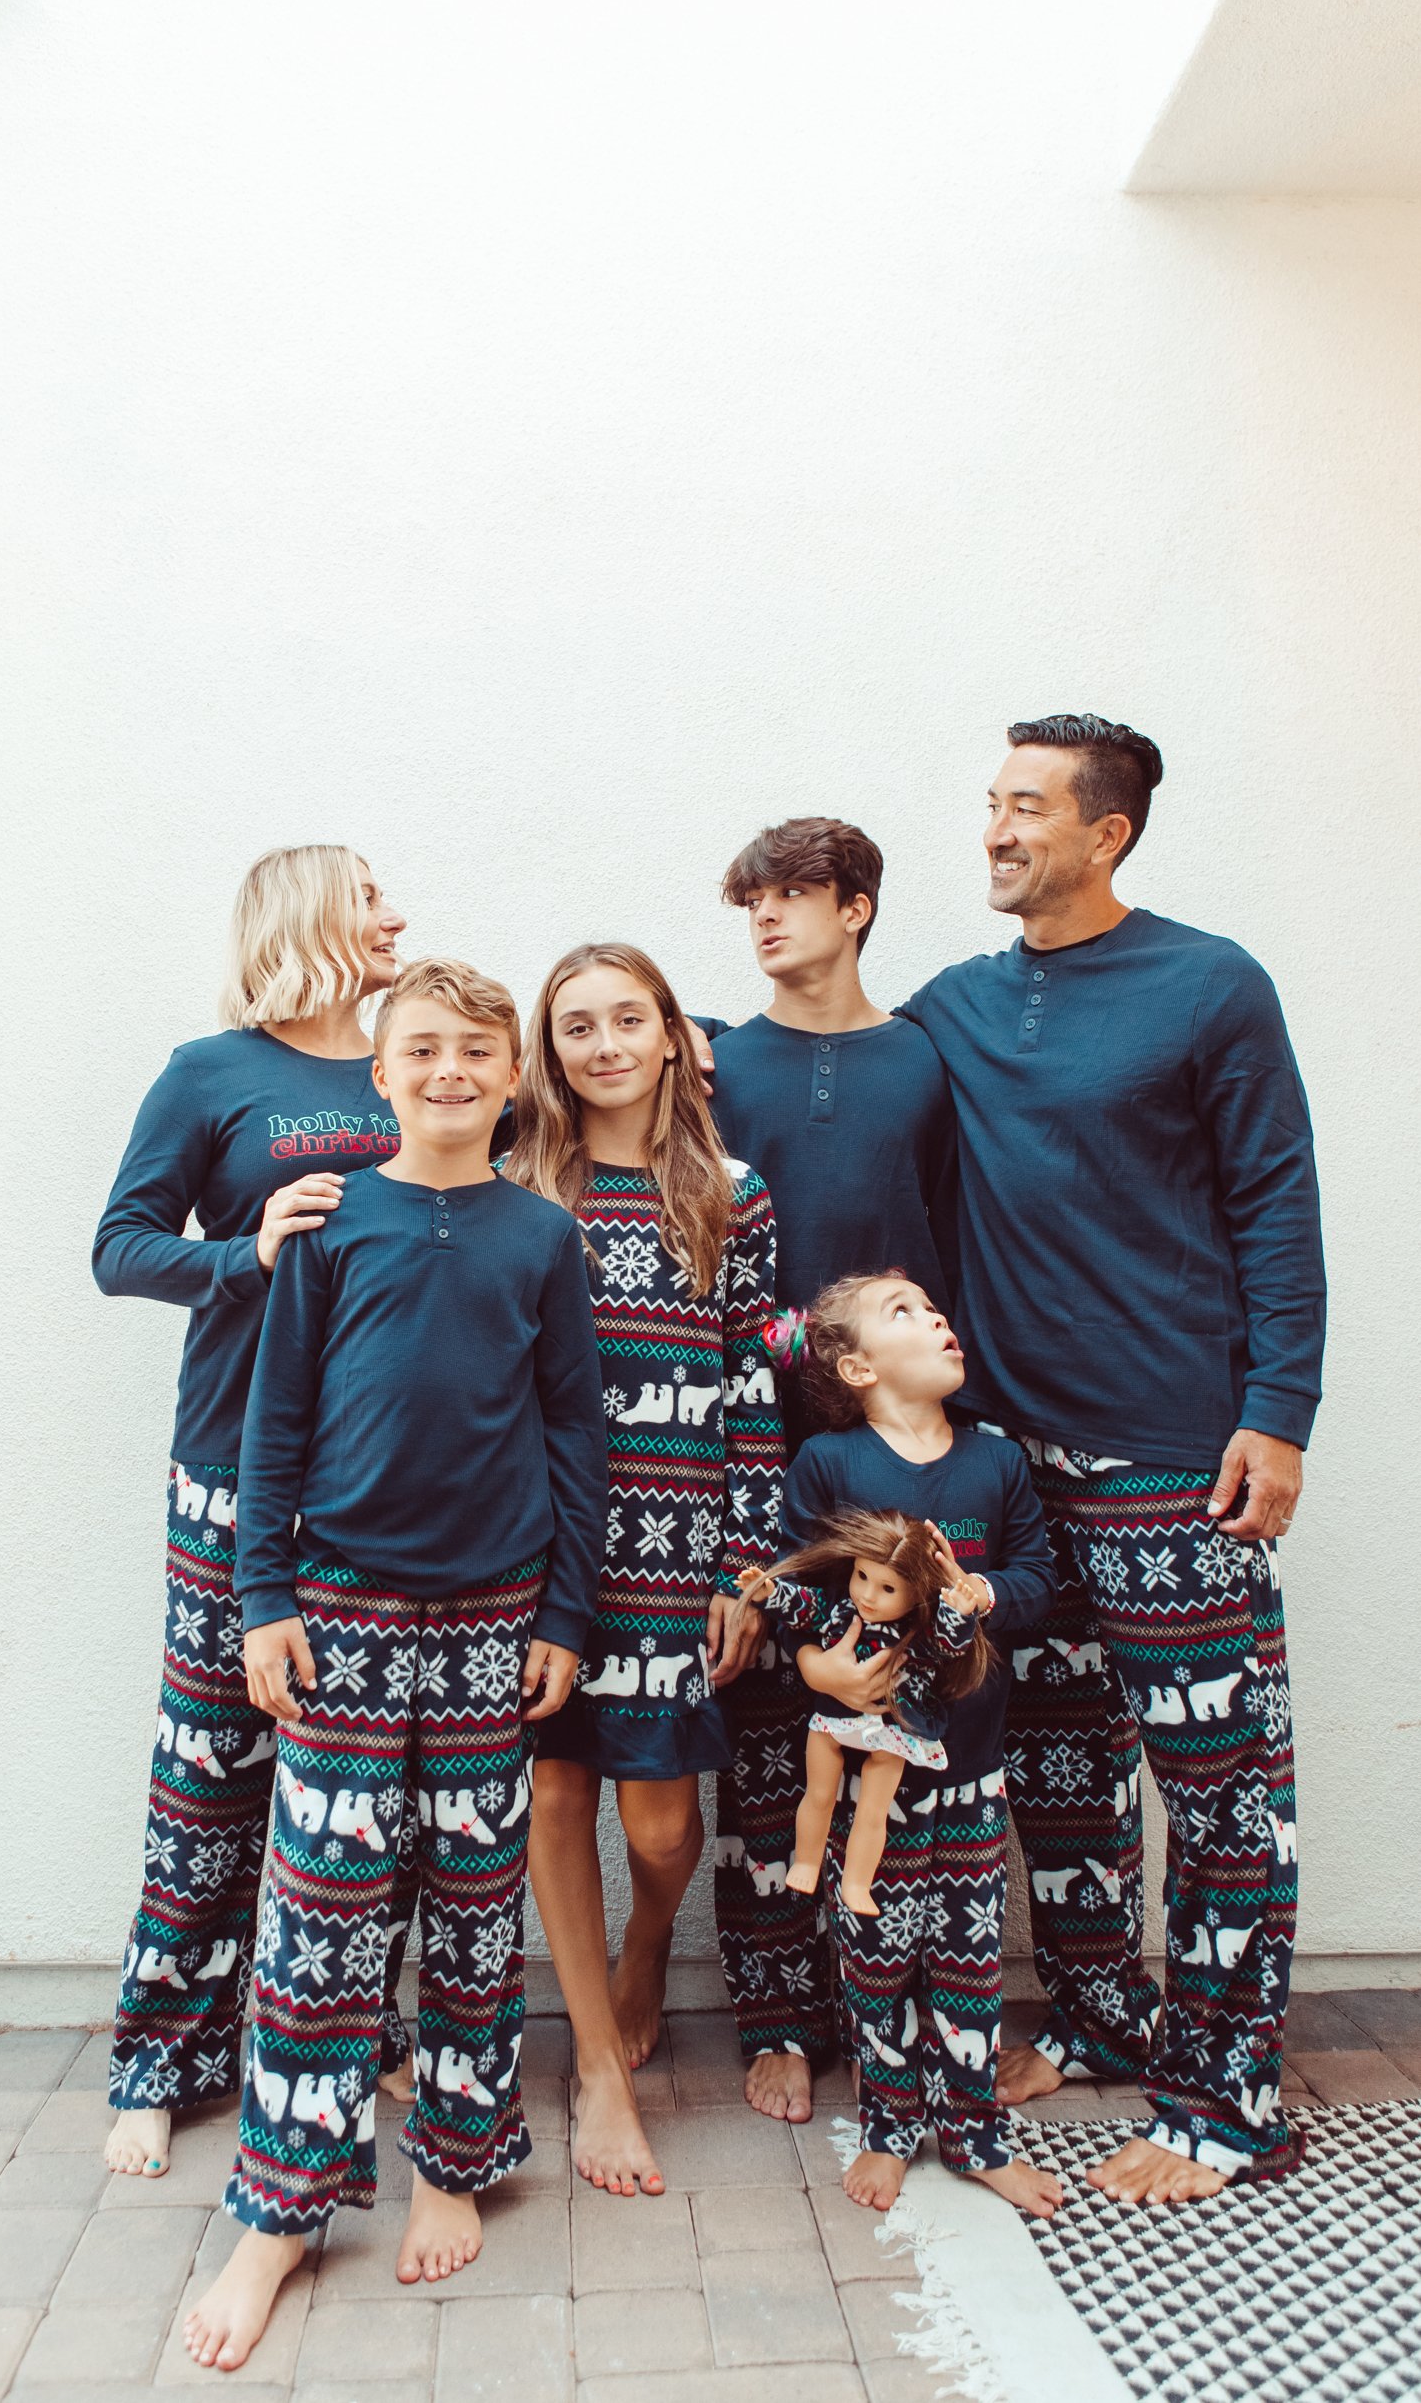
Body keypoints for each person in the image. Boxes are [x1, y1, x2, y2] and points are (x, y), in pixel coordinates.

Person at [900, 713, 1325, 2203]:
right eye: (989, 803)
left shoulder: (1207, 986)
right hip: (1010, 1463)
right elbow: (821, 1082)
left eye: (1025, 807)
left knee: (1216, 1790)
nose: (995, 831)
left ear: (1105, 834)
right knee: (1063, 1773)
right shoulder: (952, 1003)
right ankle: (1096, 2022)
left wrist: (1275, 1412)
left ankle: (1225, 2100)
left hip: (1169, 1457)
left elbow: (1275, 1203)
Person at [181, 958, 607, 2370]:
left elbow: (573, 1438)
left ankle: (454, 2157)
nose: (446, 1073)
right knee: (322, 1915)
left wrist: (560, 1617)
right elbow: (271, 1419)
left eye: (473, 1053)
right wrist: (260, 1599)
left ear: (508, 1077)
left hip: (495, 1621)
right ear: (380, 1073)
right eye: (418, 1050)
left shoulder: (541, 1237)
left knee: (476, 1909)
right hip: (343, 1609)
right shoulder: (322, 1222)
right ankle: (281, 2212)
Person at [92, 844, 407, 2180]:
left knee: (357, 1783)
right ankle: (158, 2057)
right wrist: (248, 1251)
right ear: (313, 918)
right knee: (210, 1767)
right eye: (372, 895)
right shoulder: (210, 1072)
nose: (396, 914)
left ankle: (358, 2034)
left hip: (381, 1481)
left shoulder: (412, 1066)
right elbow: (119, 1248)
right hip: (232, 1465)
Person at [503, 944, 780, 2201]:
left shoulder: (730, 1191)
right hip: (545, 1545)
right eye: (576, 1025)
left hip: (678, 1546)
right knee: (556, 1796)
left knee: (660, 1825)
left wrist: (748, 1561)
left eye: (630, 1018)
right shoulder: (520, 1184)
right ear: (546, 1052)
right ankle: (599, 2078)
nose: (604, 1043)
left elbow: (754, 1389)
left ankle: (646, 1940)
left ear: (674, 1035)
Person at [700, 816, 956, 2125]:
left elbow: (959, 1233)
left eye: (792, 896)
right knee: (762, 1737)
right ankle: (777, 2022)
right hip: (754, 1444)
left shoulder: (925, 1058)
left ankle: (892, 2008)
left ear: (854, 908)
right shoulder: (716, 1062)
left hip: (896, 1452)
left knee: (903, 1721)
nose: (763, 919)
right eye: (750, 900)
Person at [764, 1270, 1063, 2219]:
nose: (936, 1317)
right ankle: (891, 2126)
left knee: (970, 1966)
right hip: (864, 1781)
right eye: (906, 1312)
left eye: (936, 1307)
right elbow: (798, 1592)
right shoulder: (829, 1463)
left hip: (971, 1773)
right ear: (856, 1365)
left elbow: (1038, 1581)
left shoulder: (994, 1461)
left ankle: (974, 2134)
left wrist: (981, 1595)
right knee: (876, 1957)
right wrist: (818, 1669)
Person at [747, 1504, 986, 1915]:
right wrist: (772, 1593)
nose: (868, 1596)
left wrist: (960, 1613)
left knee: (873, 1812)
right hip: (832, 1718)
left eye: (888, 1589)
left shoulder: (917, 1632)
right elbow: (805, 1607)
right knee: (818, 1793)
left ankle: (857, 1884)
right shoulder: (841, 1609)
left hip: (893, 1726)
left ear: (916, 1592)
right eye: (861, 1577)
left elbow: (950, 1642)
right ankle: (806, 1860)